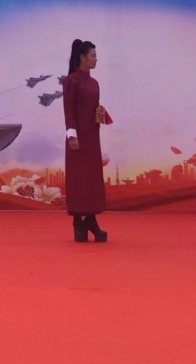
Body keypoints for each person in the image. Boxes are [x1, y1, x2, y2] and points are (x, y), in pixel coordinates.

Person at [63, 38, 112, 243]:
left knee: (92, 178)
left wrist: (100, 113)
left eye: (96, 56)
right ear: (82, 57)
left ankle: (90, 219)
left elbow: (92, 107)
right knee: (78, 178)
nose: (96, 59)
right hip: (78, 137)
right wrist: (72, 135)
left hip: (92, 136)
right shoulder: (71, 80)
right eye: (93, 56)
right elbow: (69, 109)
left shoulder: (94, 83)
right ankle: (77, 222)